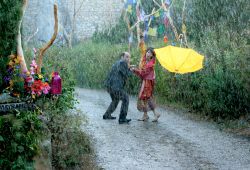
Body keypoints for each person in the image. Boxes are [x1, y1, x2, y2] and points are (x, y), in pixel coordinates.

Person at [131, 47, 160, 122]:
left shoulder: (150, 64)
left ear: (152, 55)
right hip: (145, 82)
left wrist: (134, 70)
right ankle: (146, 115)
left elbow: (143, 74)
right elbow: (142, 73)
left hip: (147, 83)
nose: (148, 53)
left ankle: (154, 114)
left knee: (145, 97)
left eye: (150, 53)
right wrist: (136, 70)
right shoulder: (145, 62)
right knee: (145, 98)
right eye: (147, 52)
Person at [103, 52, 132, 124]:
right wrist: (131, 70)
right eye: (126, 57)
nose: (128, 59)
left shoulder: (117, 63)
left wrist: (128, 68)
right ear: (122, 57)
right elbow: (126, 74)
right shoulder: (123, 63)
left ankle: (107, 115)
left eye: (129, 57)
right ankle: (122, 118)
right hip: (116, 87)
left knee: (115, 100)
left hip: (110, 86)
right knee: (126, 98)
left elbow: (120, 72)